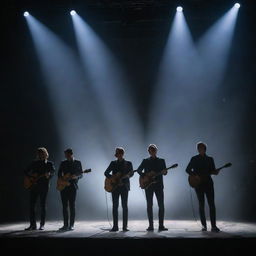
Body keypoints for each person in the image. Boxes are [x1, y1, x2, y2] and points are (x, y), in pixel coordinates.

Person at [186, 142, 220, 232]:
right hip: (198, 184)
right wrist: (194, 175)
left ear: (205, 149)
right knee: (201, 204)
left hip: (208, 183)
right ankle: (204, 225)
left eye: (201, 148)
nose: (200, 150)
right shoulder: (194, 159)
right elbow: (187, 169)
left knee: (211, 204)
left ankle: (214, 226)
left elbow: (212, 171)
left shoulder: (210, 159)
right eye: (199, 148)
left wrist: (215, 172)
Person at [137, 144, 168, 231]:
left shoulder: (162, 161)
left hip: (159, 185)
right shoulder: (145, 161)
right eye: (151, 150)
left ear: (156, 150)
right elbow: (139, 170)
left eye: (154, 150)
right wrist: (146, 176)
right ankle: (151, 226)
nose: (152, 151)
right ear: (149, 151)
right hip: (148, 186)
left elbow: (165, 173)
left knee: (161, 205)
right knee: (149, 205)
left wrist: (165, 172)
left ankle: (161, 225)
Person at [24, 147, 55, 230]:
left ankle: (42, 225)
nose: (41, 154)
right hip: (34, 186)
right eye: (39, 153)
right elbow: (25, 171)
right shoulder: (34, 163)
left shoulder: (49, 163)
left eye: (42, 153)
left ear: (45, 154)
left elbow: (52, 172)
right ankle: (32, 225)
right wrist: (31, 178)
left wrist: (49, 175)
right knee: (32, 206)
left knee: (43, 205)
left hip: (44, 186)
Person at [104, 147, 133, 232]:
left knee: (125, 207)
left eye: (119, 153)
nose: (118, 155)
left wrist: (128, 175)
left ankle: (125, 227)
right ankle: (115, 226)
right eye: (117, 154)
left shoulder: (128, 163)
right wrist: (112, 178)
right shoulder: (113, 163)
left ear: (122, 154)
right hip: (115, 187)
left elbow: (131, 174)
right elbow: (106, 173)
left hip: (124, 187)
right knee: (115, 206)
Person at [58, 148, 83, 231]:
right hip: (64, 186)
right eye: (65, 155)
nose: (66, 156)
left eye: (67, 155)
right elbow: (59, 173)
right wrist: (63, 180)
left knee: (72, 206)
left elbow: (81, 174)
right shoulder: (63, 163)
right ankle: (65, 225)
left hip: (73, 186)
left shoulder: (77, 162)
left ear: (71, 154)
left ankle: (71, 225)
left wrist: (77, 177)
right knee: (64, 206)